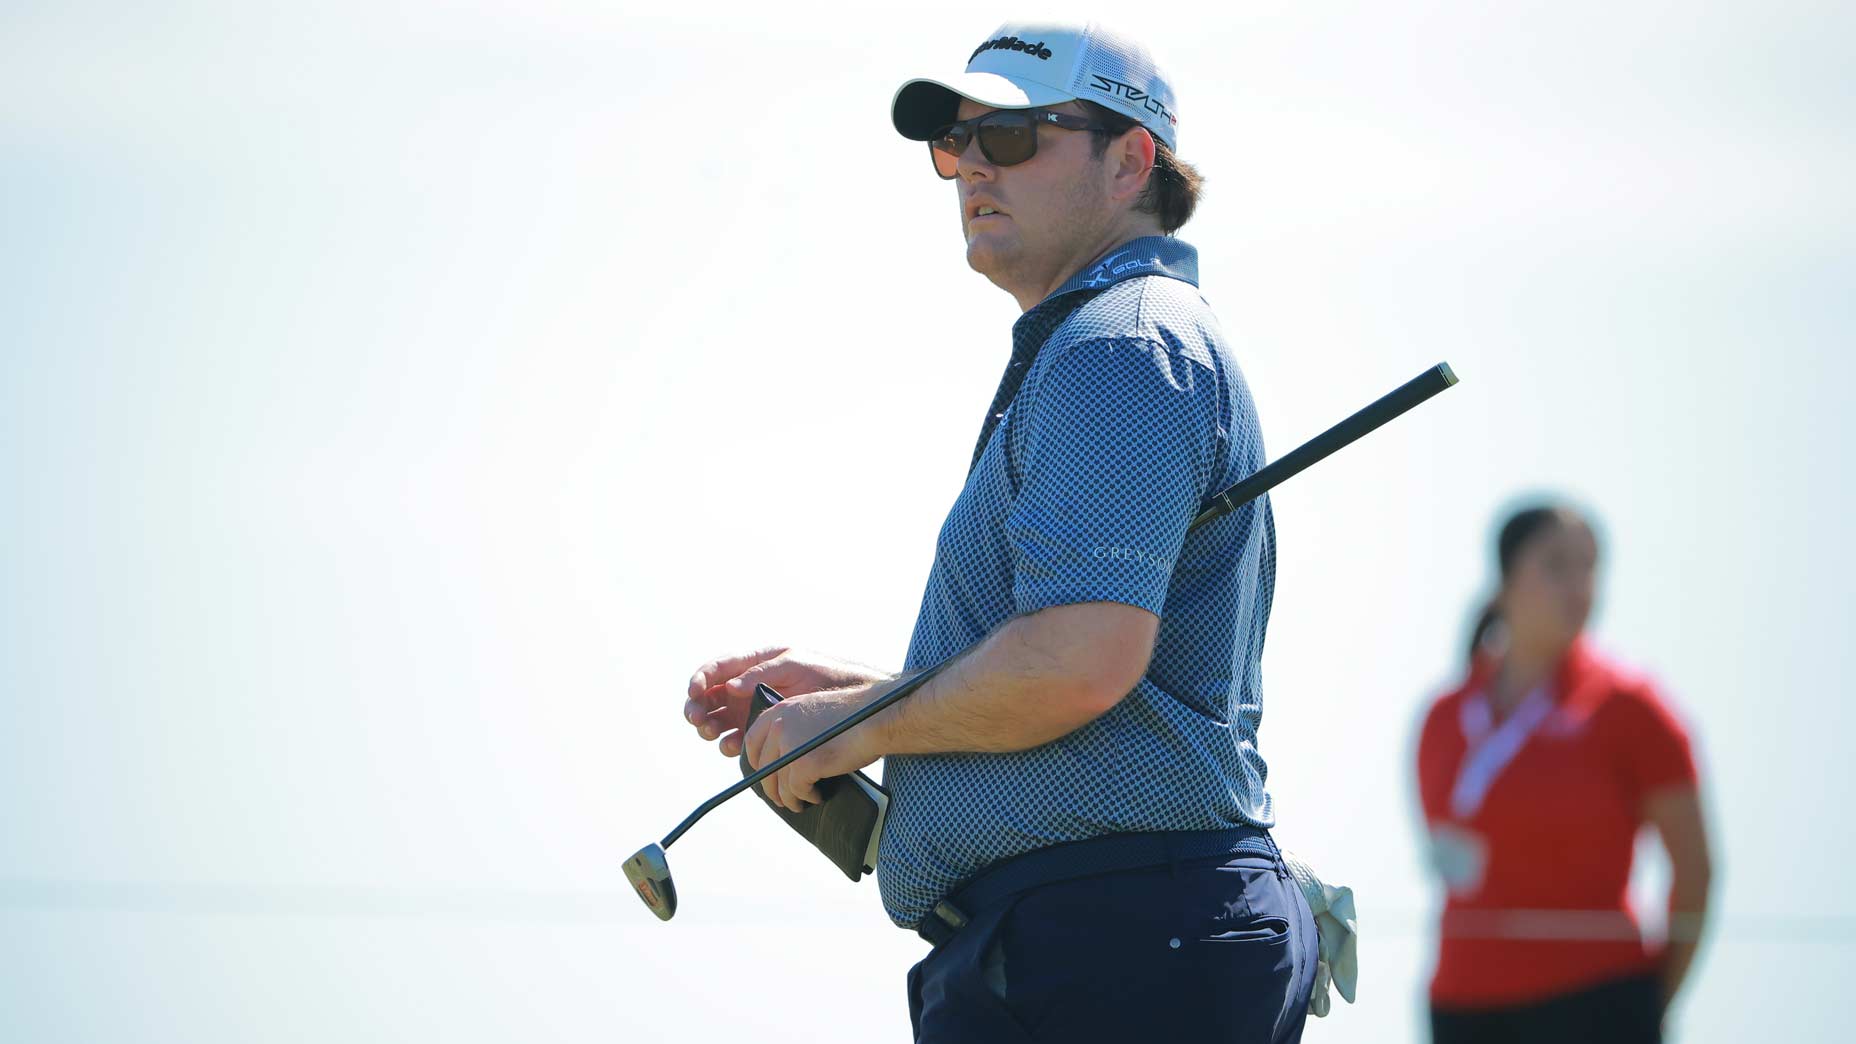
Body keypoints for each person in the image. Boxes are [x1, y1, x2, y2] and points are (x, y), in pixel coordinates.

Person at [680, 20, 1319, 1044]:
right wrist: (850, 690)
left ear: (1129, 161)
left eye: (1015, 135)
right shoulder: (1107, 342)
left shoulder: (1121, 346)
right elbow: (1084, 668)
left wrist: (848, 724)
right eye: (956, 142)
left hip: (1113, 940)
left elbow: (1073, 664)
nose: (973, 164)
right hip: (1102, 937)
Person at [1416, 503, 1713, 1043]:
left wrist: (1646, 1005)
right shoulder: (1443, 719)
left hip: (1598, 998)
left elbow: (1696, 870)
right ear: (1505, 581)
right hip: (1462, 1004)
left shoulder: (1630, 708)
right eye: (1556, 565)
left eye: (1589, 567)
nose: (1579, 585)